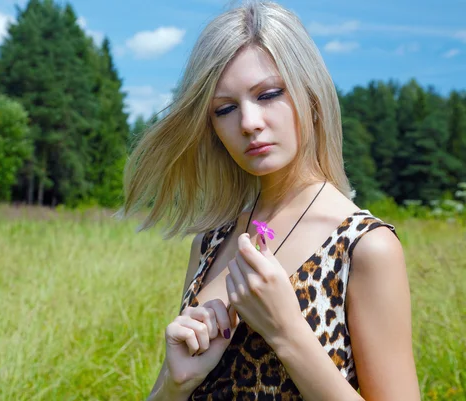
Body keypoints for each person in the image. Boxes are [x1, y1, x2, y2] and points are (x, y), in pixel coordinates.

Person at [119, 1, 420, 400]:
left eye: (269, 94)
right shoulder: (209, 244)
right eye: (224, 109)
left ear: (310, 96)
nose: (248, 123)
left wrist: (287, 334)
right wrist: (177, 384)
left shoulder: (364, 247)